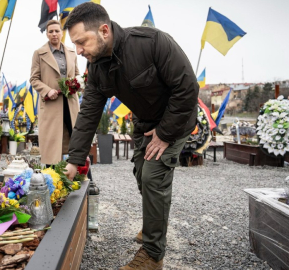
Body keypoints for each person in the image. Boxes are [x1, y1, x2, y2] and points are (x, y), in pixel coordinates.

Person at [62, 3, 199, 269]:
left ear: (104, 30)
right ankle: (153, 223)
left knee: (153, 176)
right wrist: (74, 160)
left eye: (81, 42)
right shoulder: (97, 68)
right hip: (144, 123)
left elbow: (187, 89)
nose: (78, 51)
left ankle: (152, 255)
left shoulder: (151, 42)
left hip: (176, 119)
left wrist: (164, 134)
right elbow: (89, 114)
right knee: (140, 174)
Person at [30, 20, 80, 165]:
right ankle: (52, 179)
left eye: (57, 31)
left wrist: (76, 84)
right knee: (52, 144)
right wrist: (47, 90)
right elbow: (34, 79)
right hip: (51, 104)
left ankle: (83, 175)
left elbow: (77, 74)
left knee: (76, 138)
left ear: (62, 33)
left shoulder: (72, 52)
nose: (54, 34)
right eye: (51, 31)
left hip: (71, 103)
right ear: (46, 34)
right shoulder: (39, 54)